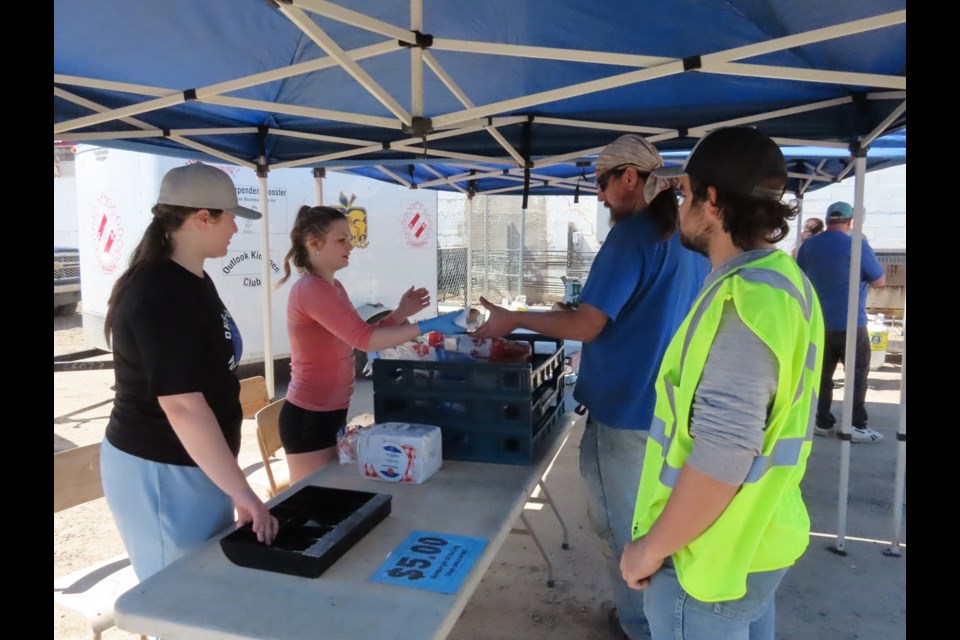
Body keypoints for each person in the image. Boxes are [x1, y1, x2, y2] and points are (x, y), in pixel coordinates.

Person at [473, 134, 710, 639]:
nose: (599, 196)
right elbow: (643, 311)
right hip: (669, 410)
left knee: (623, 531)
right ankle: (666, 618)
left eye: (602, 183)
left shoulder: (633, 235)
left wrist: (513, 317)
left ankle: (639, 625)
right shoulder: (688, 237)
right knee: (663, 526)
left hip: (624, 409)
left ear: (628, 177)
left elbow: (586, 326)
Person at [620, 126, 824, 640]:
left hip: (706, 558)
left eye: (685, 192)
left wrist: (650, 548)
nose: (679, 203)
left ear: (712, 201)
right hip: (754, 537)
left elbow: (723, 455)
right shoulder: (784, 283)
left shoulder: (744, 303)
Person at [100, 162, 280, 581]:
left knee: (203, 589)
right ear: (203, 217)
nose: (235, 228)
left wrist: (230, 482)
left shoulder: (193, 278)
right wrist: (242, 490)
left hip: (198, 462)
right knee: (177, 597)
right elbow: (181, 404)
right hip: (162, 465)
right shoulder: (159, 290)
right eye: (231, 217)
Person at [277, 205, 465, 485]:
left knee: (330, 494)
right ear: (314, 244)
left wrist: (400, 312)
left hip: (330, 411)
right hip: (309, 415)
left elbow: (365, 332)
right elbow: (364, 340)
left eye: (349, 239)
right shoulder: (311, 290)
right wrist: (429, 325)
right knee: (314, 499)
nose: (350, 246)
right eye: (341, 240)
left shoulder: (332, 287)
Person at [796, 201, 886, 442]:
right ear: (850, 222)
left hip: (818, 323)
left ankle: (822, 421)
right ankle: (855, 424)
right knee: (856, 375)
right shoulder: (857, 245)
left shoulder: (809, 245)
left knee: (822, 375)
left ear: (827, 221)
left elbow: (799, 276)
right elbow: (879, 280)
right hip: (850, 323)